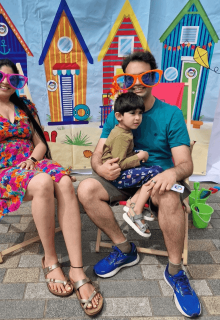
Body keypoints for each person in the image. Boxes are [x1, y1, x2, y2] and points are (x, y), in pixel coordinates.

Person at [0, 58, 103, 316]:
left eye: (13, 79)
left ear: (18, 83)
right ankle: (50, 260)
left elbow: (39, 144)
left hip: (30, 164)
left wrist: (32, 159)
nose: (6, 82)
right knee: (41, 183)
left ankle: (77, 269)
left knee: (62, 181)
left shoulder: (25, 106)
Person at [77, 51, 201, 318]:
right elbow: (98, 154)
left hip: (158, 180)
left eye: (144, 75)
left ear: (154, 76)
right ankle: (124, 248)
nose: (138, 81)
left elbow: (185, 164)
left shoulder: (171, 114)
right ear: (124, 80)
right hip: (124, 178)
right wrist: (99, 167)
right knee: (85, 189)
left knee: (169, 197)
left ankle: (175, 272)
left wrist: (172, 174)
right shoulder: (118, 113)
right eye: (131, 77)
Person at [101, 92, 163, 238]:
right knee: (155, 173)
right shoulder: (122, 136)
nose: (137, 118)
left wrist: (136, 153)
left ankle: (133, 203)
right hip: (117, 177)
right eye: (132, 113)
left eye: (140, 113)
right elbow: (119, 163)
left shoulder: (124, 131)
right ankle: (135, 211)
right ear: (119, 116)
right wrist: (139, 156)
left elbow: (121, 155)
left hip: (121, 173)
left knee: (157, 170)